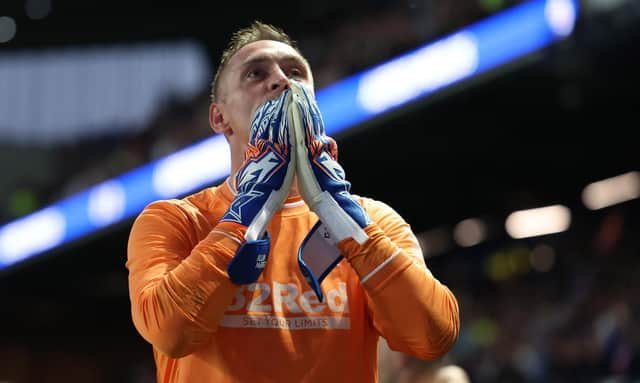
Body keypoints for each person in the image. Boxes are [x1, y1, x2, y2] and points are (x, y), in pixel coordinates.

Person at [126, 20, 460, 383]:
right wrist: (245, 215)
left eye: (296, 72)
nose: (282, 81)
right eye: (256, 74)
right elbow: (170, 332)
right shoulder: (174, 220)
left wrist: (344, 220)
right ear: (220, 118)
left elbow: (432, 337)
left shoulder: (375, 220)